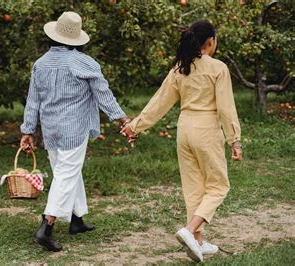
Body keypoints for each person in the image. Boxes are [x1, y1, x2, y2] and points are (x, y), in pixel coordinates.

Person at [121, 20, 242, 262]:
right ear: (211, 42)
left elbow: (159, 102)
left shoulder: (180, 68)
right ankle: (189, 230)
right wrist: (234, 140)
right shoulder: (218, 68)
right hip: (206, 128)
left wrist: (135, 126)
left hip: (184, 128)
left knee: (193, 187)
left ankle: (197, 241)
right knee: (218, 185)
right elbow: (226, 109)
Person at [20, 11, 130, 252]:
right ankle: (46, 226)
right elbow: (103, 94)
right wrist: (121, 119)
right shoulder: (84, 63)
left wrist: (28, 130)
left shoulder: (40, 64)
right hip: (73, 129)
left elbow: (33, 102)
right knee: (66, 174)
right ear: (75, 38)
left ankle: (76, 219)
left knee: (67, 170)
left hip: (50, 129)